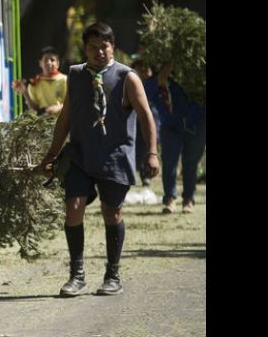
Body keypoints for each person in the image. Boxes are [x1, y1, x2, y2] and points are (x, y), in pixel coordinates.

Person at [36, 22, 160, 297]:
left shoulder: (127, 77)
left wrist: (151, 153)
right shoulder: (76, 74)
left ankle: (112, 275)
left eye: (104, 46)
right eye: (92, 47)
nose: (99, 52)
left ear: (112, 47)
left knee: (111, 212)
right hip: (79, 154)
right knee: (73, 208)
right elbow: (66, 117)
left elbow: (145, 116)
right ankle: (76, 275)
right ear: (85, 50)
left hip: (114, 155)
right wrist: (51, 155)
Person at [153, 62, 206, 214]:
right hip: (171, 125)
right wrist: (169, 65)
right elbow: (157, 84)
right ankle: (170, 198)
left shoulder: (199, 74)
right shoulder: (163, 73)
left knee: (191, 164)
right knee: (169, 163)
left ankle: (188, 199)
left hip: (197, 122)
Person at [131, 56, 161, 188]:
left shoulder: (153, 83)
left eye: (146, 69)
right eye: (140, 69)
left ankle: (146, 175)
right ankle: (132, 172)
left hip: (151, 122)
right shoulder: (129, 83)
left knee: (147, 148)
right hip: (133, 122)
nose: (143, 71)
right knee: (135, 149)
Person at [12, 46, 68, 115]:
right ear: (40, 63)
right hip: (43, 120)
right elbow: (34, 110)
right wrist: (25, 92)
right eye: (45, 60)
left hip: (63, 119)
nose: (49, 63)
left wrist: (58, 108)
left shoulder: (65, 80)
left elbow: (71, 103)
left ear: (58, 64)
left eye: (52, 60)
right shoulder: (35, 83)